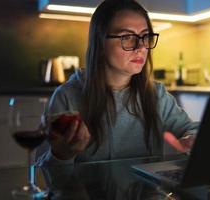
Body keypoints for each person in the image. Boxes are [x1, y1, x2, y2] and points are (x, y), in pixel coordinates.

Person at [36, 0, 199, 166]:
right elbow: (42, 173)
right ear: (100, 43)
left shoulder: (156, 95)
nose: (141, 47)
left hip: (145, 192)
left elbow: (193, 129)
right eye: (127, 37)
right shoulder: (67, 97)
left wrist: (192, 139)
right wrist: (62, 155)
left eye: (145, 36)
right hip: (83, 192)